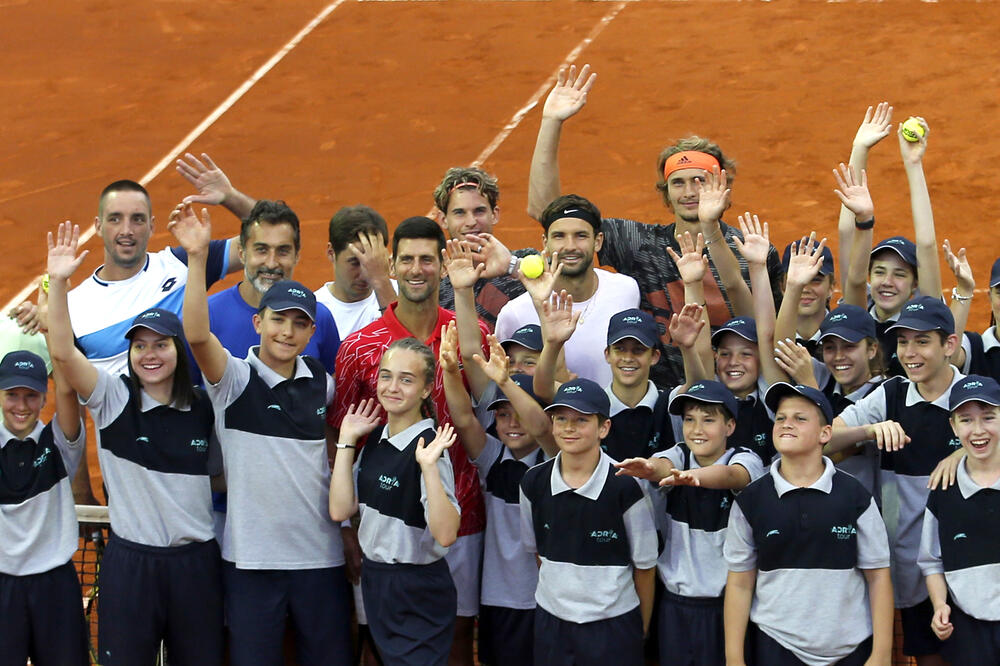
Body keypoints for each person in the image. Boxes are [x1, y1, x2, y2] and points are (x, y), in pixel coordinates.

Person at [526, 65, 782, 388]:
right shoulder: (639, 242)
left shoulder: (753, 252)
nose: (689, 193)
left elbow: (772, 333)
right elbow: (550, 213)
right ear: (666, 191)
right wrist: (551, 123)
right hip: (661, 397)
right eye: (678, 183)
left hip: (738, 392)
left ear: (721, 184)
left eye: (699, 181)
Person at [171, 205, 350, 664]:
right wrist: (198, 259)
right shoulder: (232, 379)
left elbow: (334, 444)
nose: (287, 332)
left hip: (321, 558)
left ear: (312, 331)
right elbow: (197, 335)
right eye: (277, 320)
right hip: (250, 562)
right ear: (258, 323)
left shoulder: (323, 383)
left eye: (299, 323)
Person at [47, 221, 223, 665]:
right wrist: (60, 283)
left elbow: (219, 476)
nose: (150, 355)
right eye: (139, 346)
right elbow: (64, 354)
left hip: (195, 563)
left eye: (160, 345)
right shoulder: (111, 397)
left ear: (178, 350)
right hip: (132, 564)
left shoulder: (204, 407)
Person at [330, 216, 490, 664]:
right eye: (406, 260)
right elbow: (342, 434)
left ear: (442, 265)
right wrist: (349, 529)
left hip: (461, 512)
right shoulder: (358, 348)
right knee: (378, 642)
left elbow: (486, 406)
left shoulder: (470, 335)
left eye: (427, 259)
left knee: (459, 637)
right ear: (391, 267)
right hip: (386, 525)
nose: (417, 269)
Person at [829, 296, 964, 666]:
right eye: (903, 342)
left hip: (969, 559)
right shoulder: (890, 395)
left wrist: (964, 453)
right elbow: (824, 440)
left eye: (922, 341)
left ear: (949, 345)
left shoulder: (972, 395)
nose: (909, 352)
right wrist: (869, 430)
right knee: (928, 655)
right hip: (911, 563)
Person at [724, 383, 893, 666]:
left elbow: (878, 577)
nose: (786, 424)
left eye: (800, 418)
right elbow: (740, 583)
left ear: (825, 433)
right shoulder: (751, 499)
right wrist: (733, 658)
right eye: (780, 417)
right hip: (776, 644)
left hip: (852, 647)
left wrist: (882, 654)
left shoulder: (856, 496)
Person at [329, 339, 461, 666]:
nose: (392, 387)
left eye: (406, 379)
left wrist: (428, 467)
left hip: (416, 586)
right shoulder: (377, 437)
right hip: (376, 579)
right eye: (386, 376)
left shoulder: (430, 447)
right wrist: (347, 440)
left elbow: (446, 534)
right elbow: (340, 509)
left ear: (426, 389)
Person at [615, 380, 764, 665]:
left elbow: (732, 476)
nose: (697, 429)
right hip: (674, 604)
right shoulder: (679, 454)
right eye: (689, 420)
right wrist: (649, 468)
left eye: (708, 420)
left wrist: (696, 477)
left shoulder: (746, 458)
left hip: (726, 606)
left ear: (730, 426)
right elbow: (661, 465)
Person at [519, 378, 657, 666]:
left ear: (603, 428)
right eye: (561, 418)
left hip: (614, 625)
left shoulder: (627, 486)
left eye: (581, 420)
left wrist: (639, 630)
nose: (569, 428)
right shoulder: (533, 481)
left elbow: (645, 568)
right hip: (552, 622)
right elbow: (538, 553)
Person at [441, 326, 555, 665]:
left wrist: (505, 382)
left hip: (547, 599)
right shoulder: (493, 456)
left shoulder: (554, 460)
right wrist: (450, 371)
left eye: (520, 413)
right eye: (503, 415)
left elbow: (542, 428)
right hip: (497, 598)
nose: (512, 423)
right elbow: (463, 418)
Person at [0, 350, 88, 666]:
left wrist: (51, 331)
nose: (21, 406)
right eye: (12, 395)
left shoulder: (61, 443)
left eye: (31, 395)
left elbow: (67, 389)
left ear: (44, 397)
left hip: (55, 585)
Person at [495, 194, 640, 386]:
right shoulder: (514, 314)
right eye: (559, 236)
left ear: (598, 241)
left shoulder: (626, 290)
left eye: (581, 235)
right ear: (545, 242)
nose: (570, 246)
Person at [919, 374, 1000, 665]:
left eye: (988, 417)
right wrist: (940, 605)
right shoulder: (942, 490)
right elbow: (931, 561)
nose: (978, 430)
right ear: (953, 426)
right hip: (967, 629)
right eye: (966, 420)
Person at [207, 199, 340, 374]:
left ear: (296, 256)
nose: (271, 263)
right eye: (261, 250)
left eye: (283, 251)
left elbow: (332, 381)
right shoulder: (208, 316)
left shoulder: (319, 317)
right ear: (242, 253)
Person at [433, 167, 531, 330]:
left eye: (479, 211)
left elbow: (563, 286)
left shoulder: (525, 261)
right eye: (459, 213)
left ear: (494, 214)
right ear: (443, 219)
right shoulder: (438, 290)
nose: (471, 222)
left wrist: (512, 266)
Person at [601, 308, 677, 461]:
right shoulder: (594, 407)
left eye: (638, 350)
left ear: (654, 356)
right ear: (607, 354)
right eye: (619, 349)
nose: (628, 358)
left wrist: (688, 348)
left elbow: (701, 386)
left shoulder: (670, 405)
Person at [316, 205, 397, 337]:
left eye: (372, 262)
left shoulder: (403, 296)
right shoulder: (313, 311)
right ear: (331, 253)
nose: (366, 275)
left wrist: (382, 283)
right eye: (355, 263)